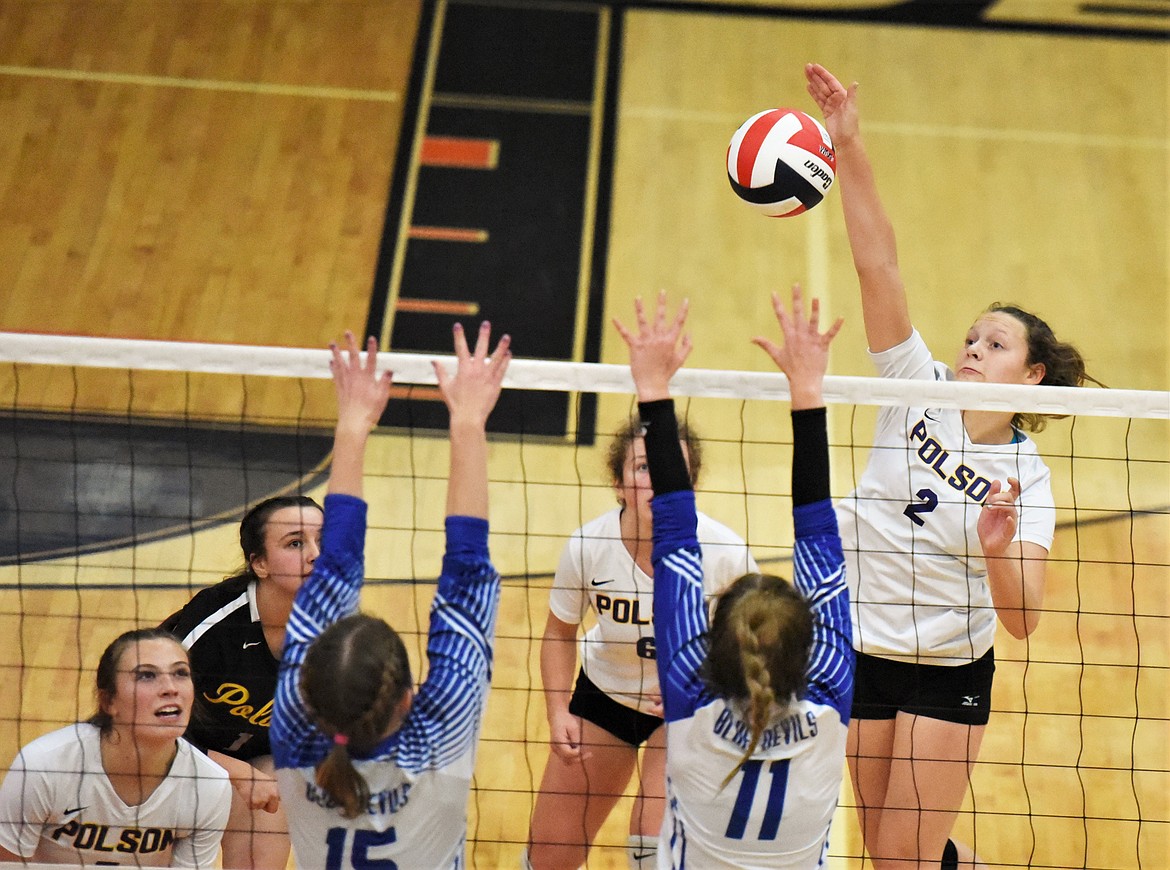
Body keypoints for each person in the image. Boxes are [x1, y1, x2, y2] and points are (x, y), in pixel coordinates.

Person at [804, 63, 1093, 869]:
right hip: (861, 648)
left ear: (1030, 376)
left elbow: (1025, 619)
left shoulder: (1027, 478)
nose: (972, 346)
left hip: (948, 669)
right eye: (972, 336)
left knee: (896, 860)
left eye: (994, 344)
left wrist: (998, 550)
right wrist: (848, 143)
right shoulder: (913, 387)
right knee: (883, 843)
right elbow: (878, 265)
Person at [612, 286, 853, 868]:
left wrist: (652, 390)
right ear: (808, 651)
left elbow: (672, 532)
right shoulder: (831, 691)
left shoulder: (689, 701)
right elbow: (819, 532)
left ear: (713, 644)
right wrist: (808, 391)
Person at [270, 323, 511, 868]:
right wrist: (465, 421)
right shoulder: (440, 730)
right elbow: (462, 570)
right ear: (407, 697)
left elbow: (463, 573)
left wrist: (355, 424)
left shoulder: (290, 727)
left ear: (306, 690)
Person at [526, 412, 757, 869]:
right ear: (618, 482)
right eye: (643, 467)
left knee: (653, 845)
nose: (657, 482)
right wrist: (557, 711)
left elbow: (752, 653)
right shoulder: (588, 546)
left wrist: (705, 687)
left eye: (672, 470)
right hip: (606, 693)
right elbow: (559, 633)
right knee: (549, 854)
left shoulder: (726, 554)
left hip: (689, 707)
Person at [160, 494, 321, 870]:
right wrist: (229, 769)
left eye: (323, 540)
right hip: (170, 752)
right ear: (260, 564)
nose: (316, 554)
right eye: (296, 543)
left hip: (262, 760)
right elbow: (141, 724)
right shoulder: (216, 622)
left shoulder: (337, 629)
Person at [0, 627, 232, 866]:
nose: (170, 688)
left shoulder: (209, 785)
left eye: (181, 673)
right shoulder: (44, 766)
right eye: (146, 675)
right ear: (108, 701)